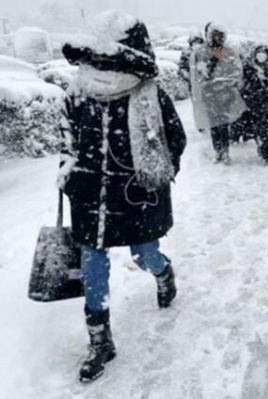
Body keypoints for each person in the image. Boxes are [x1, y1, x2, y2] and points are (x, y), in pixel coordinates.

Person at [58, 10, 187, 383]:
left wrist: (154, 175)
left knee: (143, 254)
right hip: (89, 196)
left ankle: (163, 273)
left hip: (135, 196)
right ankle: (100, 340)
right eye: (94, 57)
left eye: (106, 57)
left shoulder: (149, 95)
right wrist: (69, 171)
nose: (98, 64)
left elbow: (174, 141)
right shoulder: (77, 92)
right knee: (93, 263)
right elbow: (67, 140)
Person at [190, 22, 246, 163]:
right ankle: (218, 151)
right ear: (209, 36)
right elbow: (199, 74)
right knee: (213, 124)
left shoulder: (230, 52)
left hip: (226, 94)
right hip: (209, 94)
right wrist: (212, 62)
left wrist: (227, 83)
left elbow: (236, 72)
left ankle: (225, 152)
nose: (217, 38)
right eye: (214, 35)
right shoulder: (201, 52)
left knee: (224, 124)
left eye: (220, 36)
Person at [242, 44, 268, 164]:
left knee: (267, 131)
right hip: (252, 105)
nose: (261, 55)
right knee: (253, 129)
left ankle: (265, 153)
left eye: (264, 53)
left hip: (267, 106)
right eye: (259, 53)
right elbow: (243, 85)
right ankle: (258, 142)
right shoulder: (248, 68)